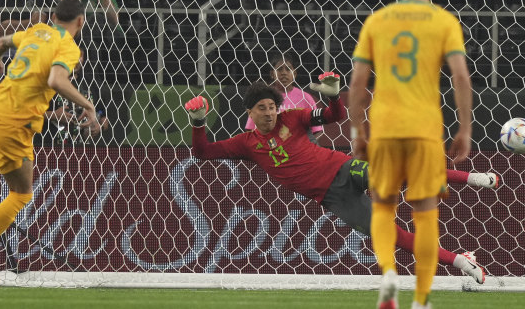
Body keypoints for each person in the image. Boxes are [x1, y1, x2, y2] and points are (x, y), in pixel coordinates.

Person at [185, 77, 489, 292]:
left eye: (271, 106)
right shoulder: (246, 144)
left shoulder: (292, 117)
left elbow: (334, 115)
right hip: (332, 198)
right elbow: (202, 153)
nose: (268, 112)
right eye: (262, 108)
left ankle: (472, 178)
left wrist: (332, 95)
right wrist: (198, 123)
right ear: (250, 113)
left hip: (343, 168)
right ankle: (461, 261)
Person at [0, 0, 100, 284]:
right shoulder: (68, 46)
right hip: (13, 122)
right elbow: (56, 81)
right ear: (81, 21)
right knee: (21, 193)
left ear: (53, 16)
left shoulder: (37, 30)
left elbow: (2, 40)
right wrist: (88, 106)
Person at [348, 0, 473, 309]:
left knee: (383, 206)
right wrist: (465, 128)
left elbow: (358, 82)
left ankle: (388, 273)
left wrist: (358, 132)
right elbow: (461, 78)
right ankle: (421, 299)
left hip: (385, 128)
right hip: (425, 130)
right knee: (425, 211)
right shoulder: (444, 21)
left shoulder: (378, 20)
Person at [57, 0, 126, 82]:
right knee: (88, 35)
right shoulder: (60, 0)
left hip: (107, 42)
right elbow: (59, 28)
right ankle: (92, 80)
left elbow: (115, 22)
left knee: (95, 19)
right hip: (80, 44)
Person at [246, 52, 323, 143]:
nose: (284, 73)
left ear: (294, 74)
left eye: (288, 69)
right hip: (271, 150)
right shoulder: (262, 98)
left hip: (299, 152)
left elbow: (317, 131)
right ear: (272, 74)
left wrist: (301, 147)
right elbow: (250, 129)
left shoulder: (305, 98)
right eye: (279, 69)